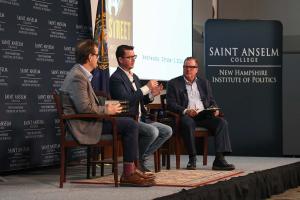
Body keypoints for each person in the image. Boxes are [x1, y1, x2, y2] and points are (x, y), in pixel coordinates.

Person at [60, 39, 154, 186]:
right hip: (84, 125)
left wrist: (108, 104)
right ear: (90, 57)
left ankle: (132, 169)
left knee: (129, 124)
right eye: (97, 55)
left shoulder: (79, 74)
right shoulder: (78, 77)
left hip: (90, 121)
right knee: (130, 125)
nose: (98, 59)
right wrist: (107, 109)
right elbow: (84, 109)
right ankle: (129, 173)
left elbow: (88, 104)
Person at [109, 45, 172, 173]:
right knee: (152, 131)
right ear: (120, 60)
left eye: (134, 57)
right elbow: (126, 100)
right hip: (128, 119)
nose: (133, 60)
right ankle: (137, 161)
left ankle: (140, 158)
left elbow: (140, 99)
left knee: (167, 130)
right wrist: (146, 87)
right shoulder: (116, 78)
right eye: (129, 57)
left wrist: (151, 95)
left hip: (142, 118)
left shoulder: (135, 77)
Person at [166, 57, 235, 171]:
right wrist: (186, 110)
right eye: (185, 67)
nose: (188, 69)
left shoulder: (204, 83)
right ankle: (192, 158)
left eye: (191, 67)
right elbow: (171, 104)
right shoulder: (174, 83)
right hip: (187, 115)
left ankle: (219, 159)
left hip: (203, 115)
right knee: (188, 123)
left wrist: (215, 109)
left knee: (221, 122)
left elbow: (211, 100)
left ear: (196, 69)